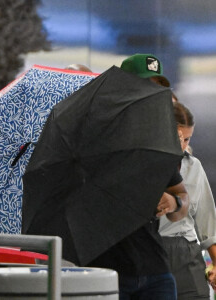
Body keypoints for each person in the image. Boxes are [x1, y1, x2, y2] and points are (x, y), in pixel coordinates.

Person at [87, 54, 189, 300]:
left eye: (157, 89)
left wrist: (174, 203)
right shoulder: (92, 137)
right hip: (106, 274)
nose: (151, 95)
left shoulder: (156, 143)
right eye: (145, 86)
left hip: (156, 272)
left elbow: (183, 199)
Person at [159, 102, 216, 299]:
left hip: (187, 251)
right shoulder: (143, 164)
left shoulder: (194, 167)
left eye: (187, 139)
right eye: (179, 138)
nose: (183, 145)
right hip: (152, 251)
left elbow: (208, 223)